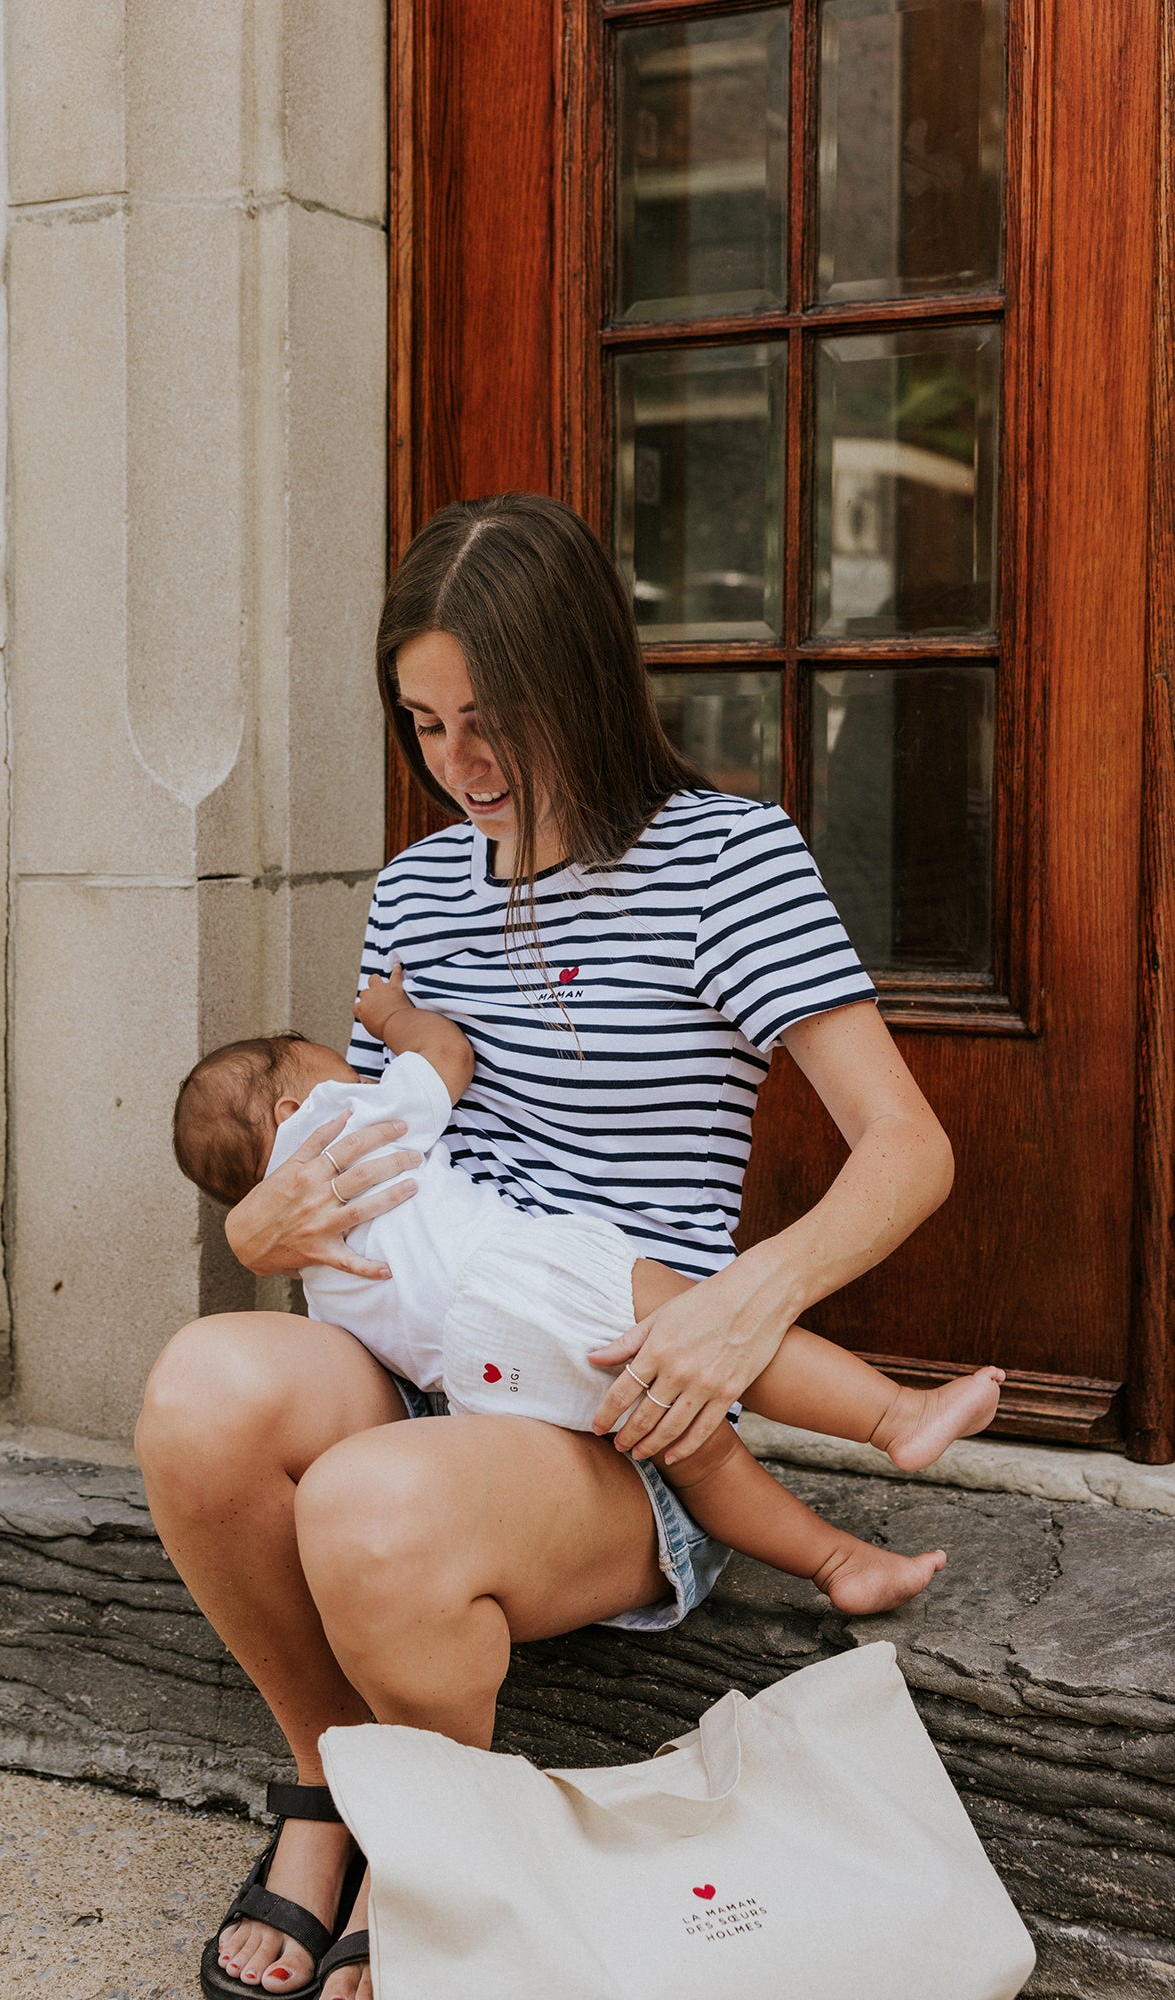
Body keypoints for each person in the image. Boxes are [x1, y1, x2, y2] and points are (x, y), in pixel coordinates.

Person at [135, 493, 961, 2000]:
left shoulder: (729, 860)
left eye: (492, 718)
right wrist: (265, 1226)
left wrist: (736, 1310)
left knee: (376, 1508)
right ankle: (328, 1788)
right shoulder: (419, 889)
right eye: (425, 723)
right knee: (200, 1388)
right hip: (432, 1357)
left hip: (617, 1411)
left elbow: (909, 1149)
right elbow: (375, 1156)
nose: (462, 766)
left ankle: (433, 1859)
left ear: (584, 677)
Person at [171, 975, 1002, 1618]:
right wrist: (393, 1016)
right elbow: (445, 1056)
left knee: (686, 1445)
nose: (354, 1068)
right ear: (296, 1105)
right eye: (333, 1064)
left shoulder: (315, 1266)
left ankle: (838, 1564)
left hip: (474, 1385)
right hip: (522, 1276)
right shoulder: (349, 1126)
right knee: (711, 1332)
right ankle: (895, 1416)